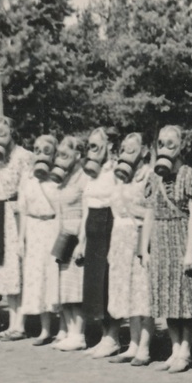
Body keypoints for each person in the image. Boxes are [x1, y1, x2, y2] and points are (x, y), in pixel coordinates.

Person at [142, 126, 192, 373]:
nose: (165, 148)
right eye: (161, 143)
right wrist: (145, 248)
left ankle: (186, 348)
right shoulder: (153, 177)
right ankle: (174, 348)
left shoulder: (188, 174)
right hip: (161, 238)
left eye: (171, 144)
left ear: (181, 146)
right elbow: (149, 214)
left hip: (182, 235)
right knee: (166, 295)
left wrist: (190, 250)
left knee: (185, 295)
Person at [104, 133, 153, 365]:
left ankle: (144, 346)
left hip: (140, 236)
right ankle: (132, 344)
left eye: (131, 150)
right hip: (120, 238)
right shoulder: (120, 177)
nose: (125, 154)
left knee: (142, 293)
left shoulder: (149, 176)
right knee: (129, 293)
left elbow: (152, 211)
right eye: (123, 149)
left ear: (143, 151)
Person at [0, 117, 32, 340]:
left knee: (17, 271)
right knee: (6, 272)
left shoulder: (24, 157)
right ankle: (11, 323)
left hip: (17, 217)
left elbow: (26, 194)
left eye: (3, 133)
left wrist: (22, 232)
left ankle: (18, 325)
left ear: (13, 133)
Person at [73, 128, 120, 357]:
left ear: (109, 146)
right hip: (91, 228)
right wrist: (81, 241)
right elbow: (85, 208)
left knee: (108, 282)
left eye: (96, 145)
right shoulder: (90, 173)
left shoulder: (116, 171)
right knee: (95, 286)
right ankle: (104, 335)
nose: (92, 150)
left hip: (108, 227)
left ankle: (113, 337)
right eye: (89, 145)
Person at [16, 135, 61, 344]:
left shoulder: (57, 177)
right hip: (33, 229)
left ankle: (56, 328)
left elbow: (60, 208)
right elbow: (23, 210)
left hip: (50, 227)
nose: (40, 154)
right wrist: (21, 239)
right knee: (35, 277)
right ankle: (42, 328)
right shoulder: (27, 178)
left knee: (51, 277)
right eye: (36, 150)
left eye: (45, 151)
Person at [46, 134, 88, 350]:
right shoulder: (65, 178)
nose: (60, 158)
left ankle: (78, 335)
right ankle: (70, 331)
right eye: (59, 154)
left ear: (78, 154)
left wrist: (82, 241)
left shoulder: (84, 178)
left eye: (65, 154)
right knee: (66, 286)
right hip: (63, 234)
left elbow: (86, 211)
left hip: (76, 234)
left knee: (76, 286)